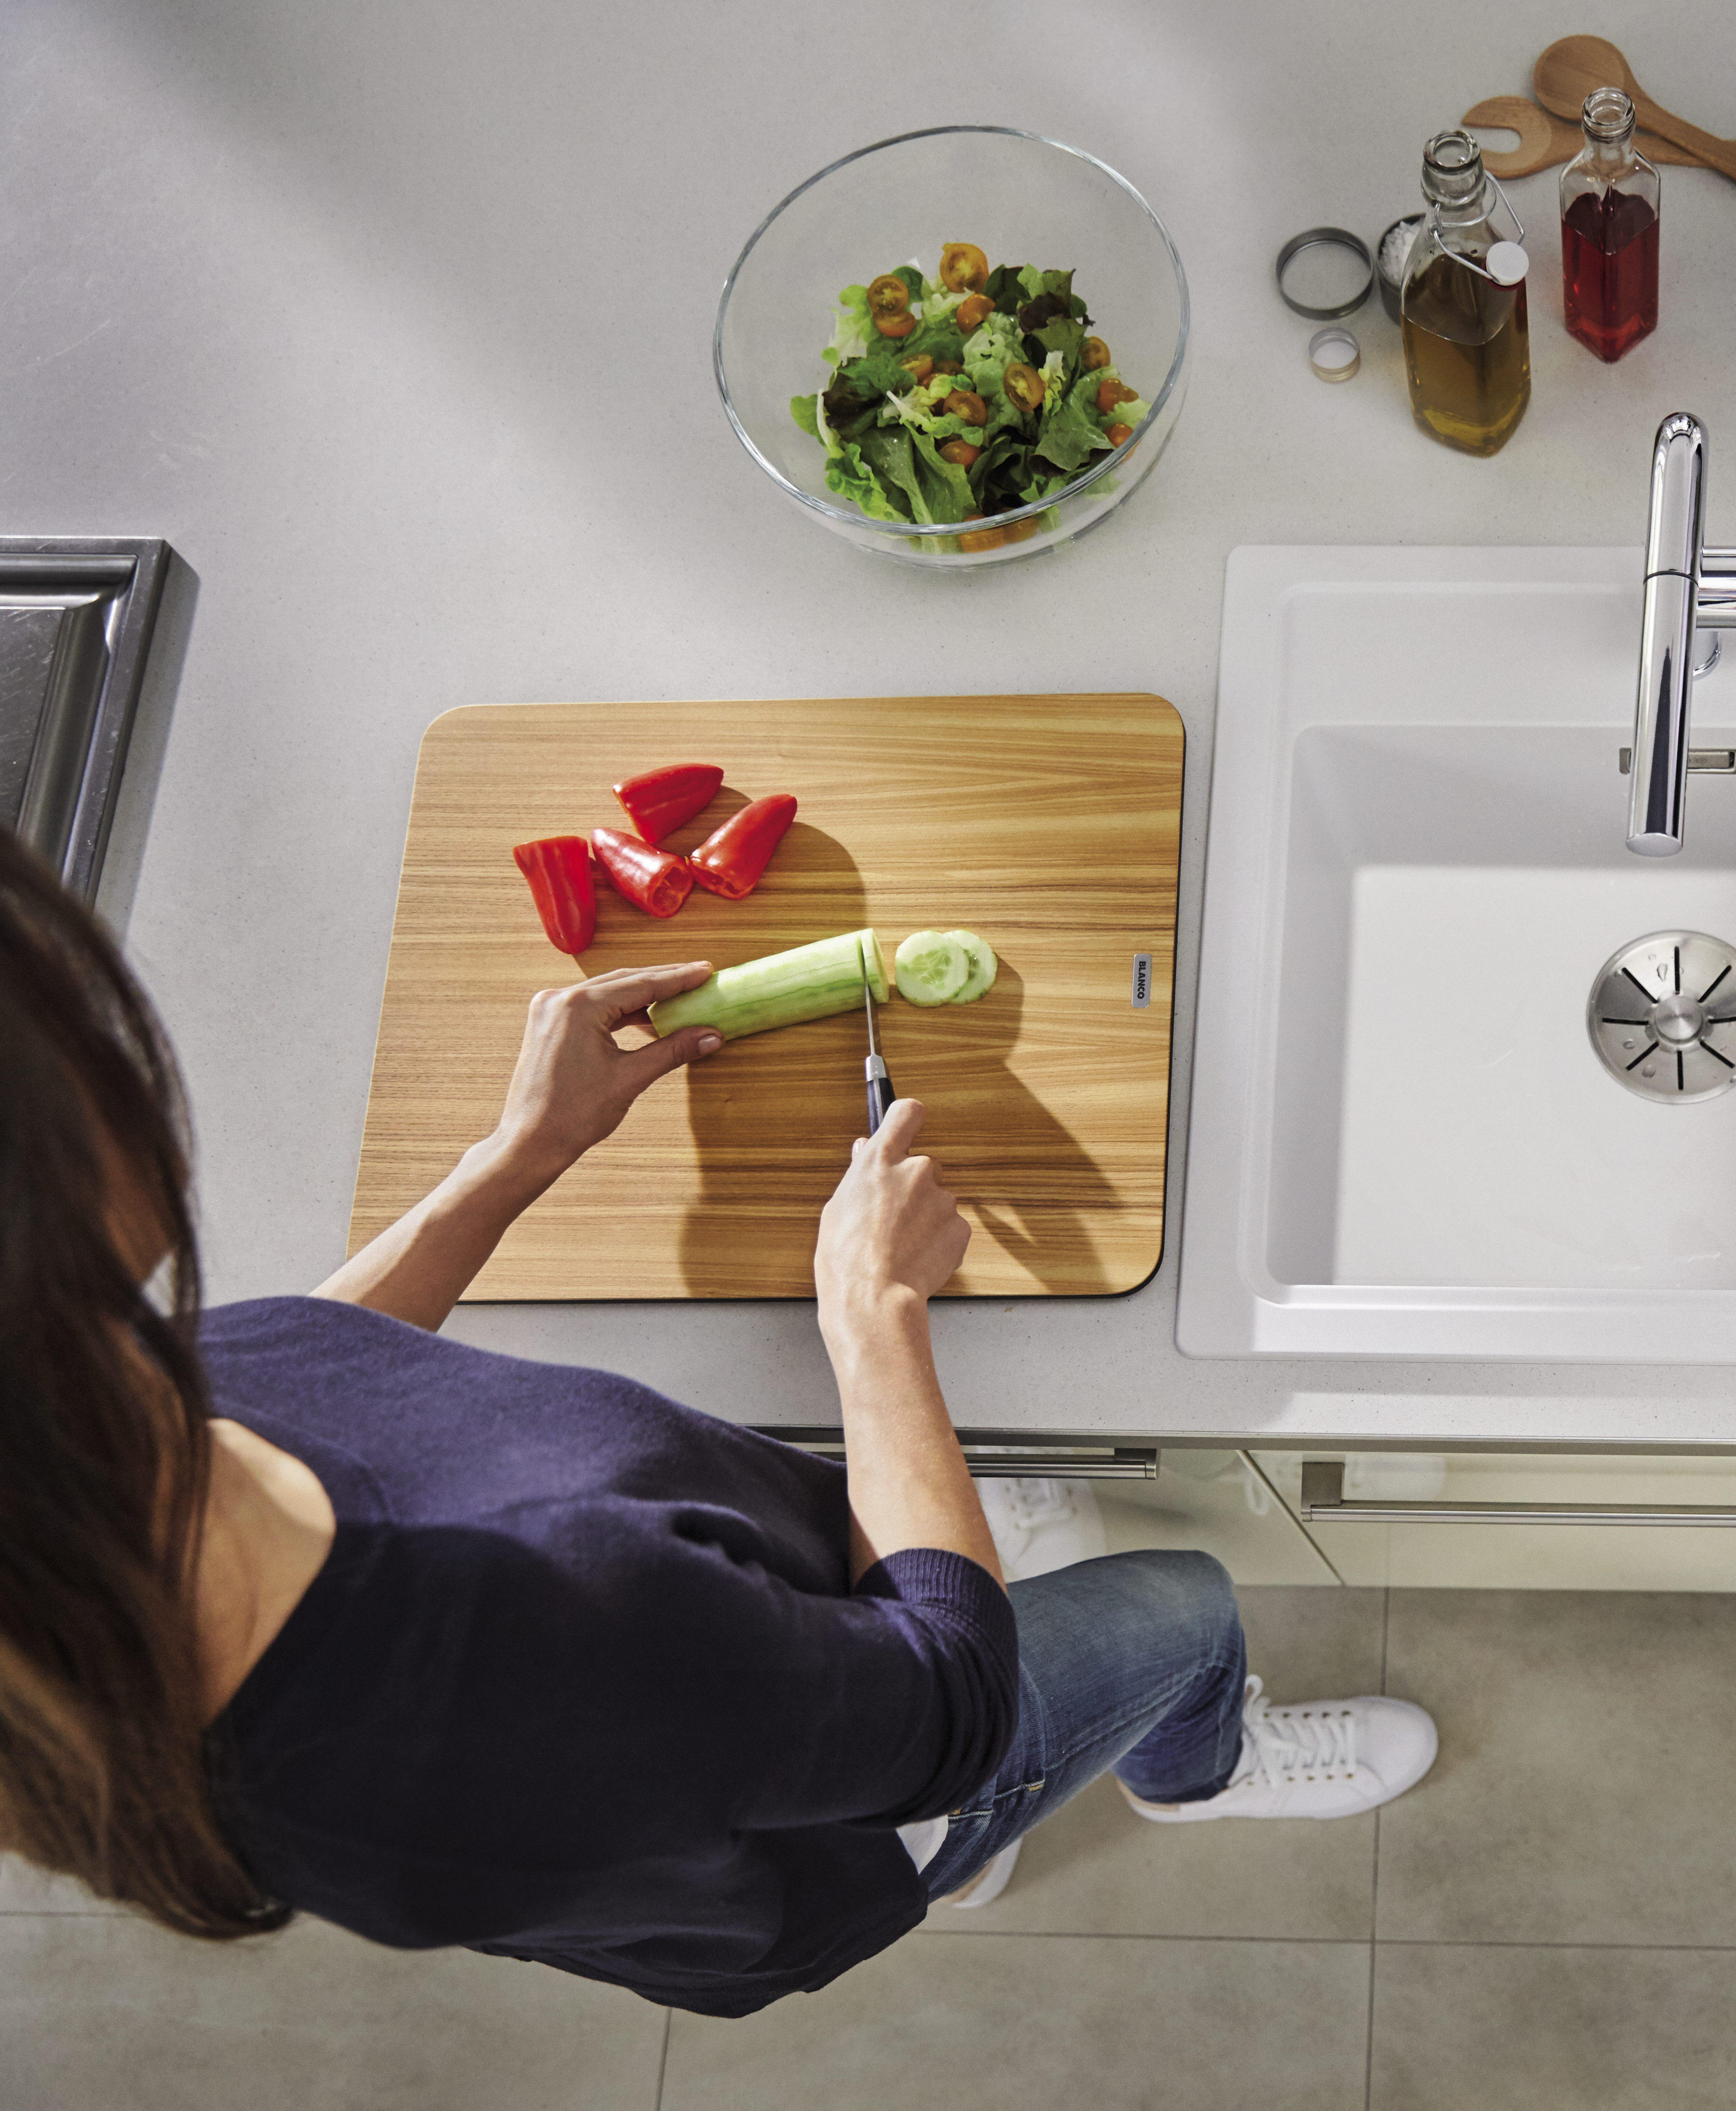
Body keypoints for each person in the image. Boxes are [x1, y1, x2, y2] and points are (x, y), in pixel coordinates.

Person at [0, 832, 1433, 2016]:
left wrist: (514, 1161)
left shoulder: (66, 1431)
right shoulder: (544, 1625)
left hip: (756, 1727)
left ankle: (960, 1818)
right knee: (1182, 1608)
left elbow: (300, 1371)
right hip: (890, 1778)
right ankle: (1194, 1773)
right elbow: (950, 1705)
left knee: (930, 1630)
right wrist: (872, 1315)